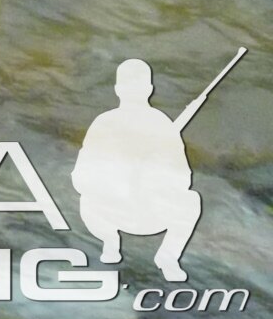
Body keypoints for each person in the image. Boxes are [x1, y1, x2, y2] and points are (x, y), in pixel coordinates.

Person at [75, 59, 206, 280]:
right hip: (115, 210)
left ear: (118, 89)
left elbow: (183, 179)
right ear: (149, 89)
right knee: (87, 200)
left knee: (191, 200)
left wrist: (151, 175)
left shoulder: (157, 124)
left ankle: (167, 257)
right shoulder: (106, 123)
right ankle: (111, 242)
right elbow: (81, 177)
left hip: (149, 212)